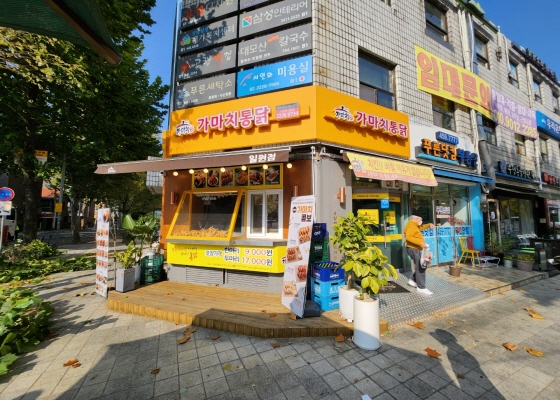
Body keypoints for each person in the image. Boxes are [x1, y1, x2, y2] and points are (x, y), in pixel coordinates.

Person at [405, 213, 435, 295]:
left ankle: (413, 280)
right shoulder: (411, 226)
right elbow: (408, 237)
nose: (421, 221)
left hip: (416, 249)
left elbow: (421, 227)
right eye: (420, 219)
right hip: (414, 249)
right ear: (416, 219)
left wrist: (429, 225)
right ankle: (421, 287)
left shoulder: (415, 225)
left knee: (421, 265)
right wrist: (420, 243)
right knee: (421, 267)